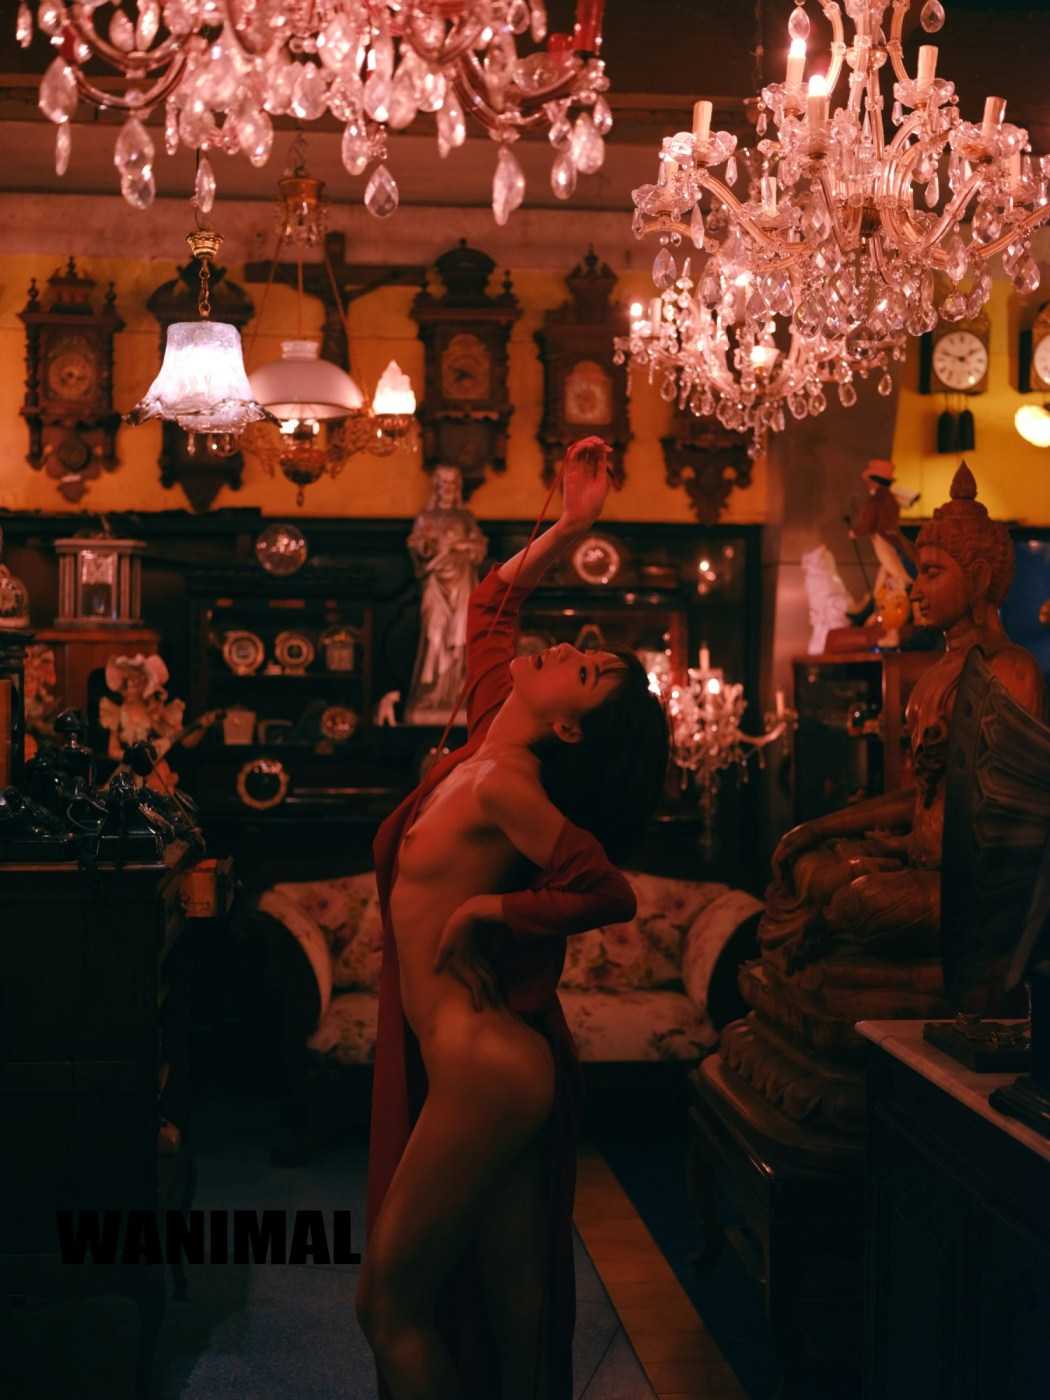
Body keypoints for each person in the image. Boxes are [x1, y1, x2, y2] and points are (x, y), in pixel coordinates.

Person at [356, 436, 670, 1400]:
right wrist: (571, 524)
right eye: (584, 652)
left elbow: (608, 891)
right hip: (474, 1055)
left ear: (568, 725)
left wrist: (492, 906)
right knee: (510, 1305)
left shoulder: (512, 786)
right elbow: (492, 603)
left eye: (587, 672)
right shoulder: (495, 720)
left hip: (484, 1064)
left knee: (388, 1308)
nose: (570, 649)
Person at [404, 465, 488, 725]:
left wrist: (461, 545)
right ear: (437, 487)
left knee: (460, 636)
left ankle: (457, 695)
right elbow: (417, 547)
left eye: (452, 484)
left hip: (462, 582)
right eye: (443, 483)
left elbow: (479, 548)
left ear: (458, 487)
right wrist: (427, 546)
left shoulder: (466, 518)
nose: (448, 489)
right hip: (435, 582)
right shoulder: (425, 517)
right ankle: (431, 695)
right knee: (435, 636)